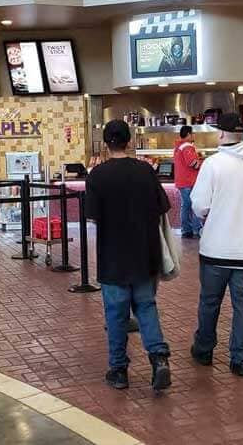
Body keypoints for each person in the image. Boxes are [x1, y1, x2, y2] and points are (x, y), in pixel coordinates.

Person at [84, 120, 172, 391]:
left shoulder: (97, 176)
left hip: (113, 257)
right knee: (146, 307)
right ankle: (159, 360)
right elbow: (162, 207)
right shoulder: (145, 171)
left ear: (106, 143)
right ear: (129, 141)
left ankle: (119, 370)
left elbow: (93, 216)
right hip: (145, 254)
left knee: (115, 313)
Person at [190, 112, 243, 376]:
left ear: (222, 135)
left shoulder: (214, 164)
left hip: (216, 248)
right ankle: (240, 358)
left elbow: (200, 205)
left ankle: (204, 350)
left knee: (210, 302)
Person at [174, 125, 203, 238]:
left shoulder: (179, 146)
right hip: (188, 181)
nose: (194, 135)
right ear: (188, 135)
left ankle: (187, 230)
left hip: (182, 181)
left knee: (186, 205)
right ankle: (194, 229)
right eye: (193, 133)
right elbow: (193, 163)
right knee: (192, 205)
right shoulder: (187, 147)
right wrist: (203, 163)